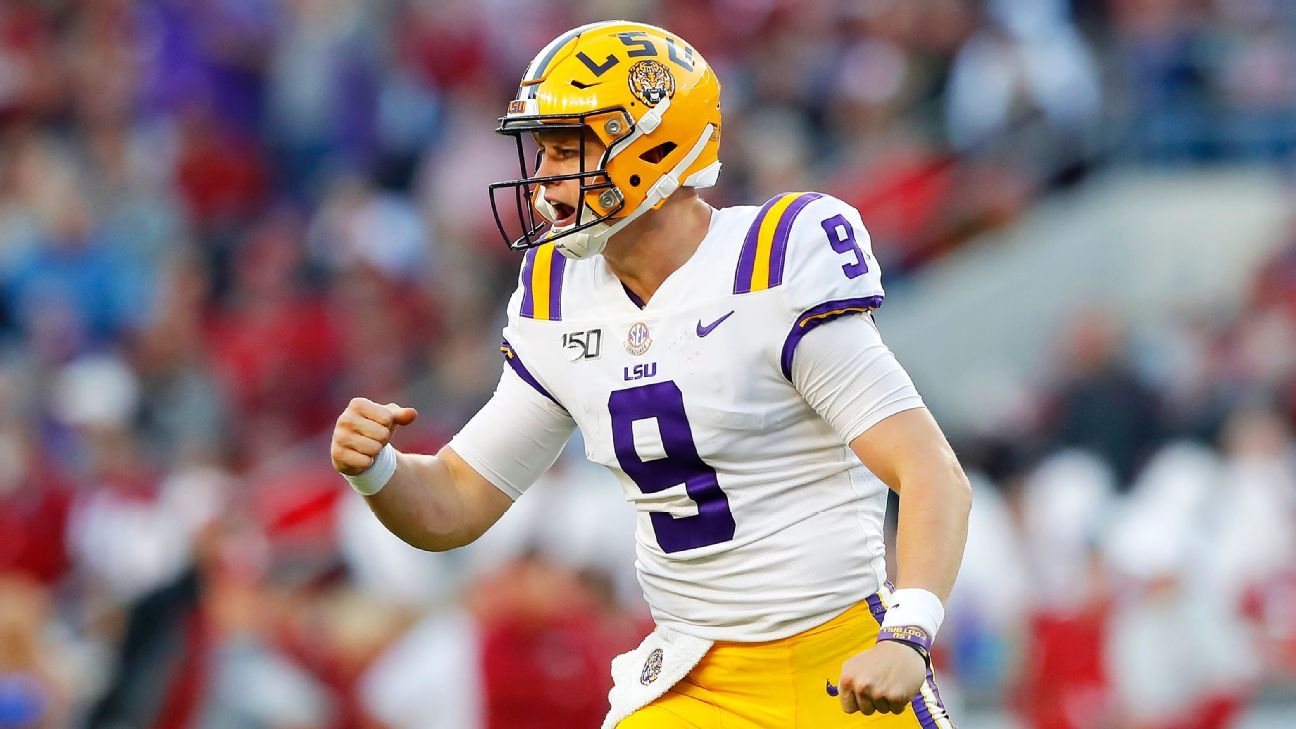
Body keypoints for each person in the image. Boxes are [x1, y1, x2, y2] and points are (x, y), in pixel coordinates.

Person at [329, 21, 971, 729]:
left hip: (843, 663)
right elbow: (456, 500)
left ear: (656, 143)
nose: (543, 177)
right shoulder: (559, 291)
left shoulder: (772, 263)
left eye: (569, 148)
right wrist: (379, 471)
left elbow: (928, 469)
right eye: (542, 149)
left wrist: (908, 632)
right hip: (696, 679)